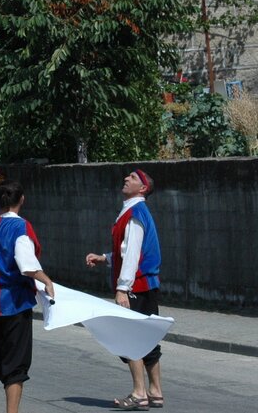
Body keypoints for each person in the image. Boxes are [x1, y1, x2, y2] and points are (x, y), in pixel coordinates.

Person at [0, 180, 54, 413]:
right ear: (22, 200)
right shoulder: (22, 228)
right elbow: (26, 265)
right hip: (14, 303)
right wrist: (45, 279)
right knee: (15, 365)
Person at [85, 169, 164, 411]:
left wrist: (122, 288)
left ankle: (139, 393)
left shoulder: (135, 212)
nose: (126, 179)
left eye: (132, 177)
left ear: (142, 188)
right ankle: (155, 391)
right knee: (147, 339)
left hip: (136, 286)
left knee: (130, 340)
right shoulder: (133, 211)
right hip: (144, 285)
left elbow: (132, 253)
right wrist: (105, 258)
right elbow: (125, 251)